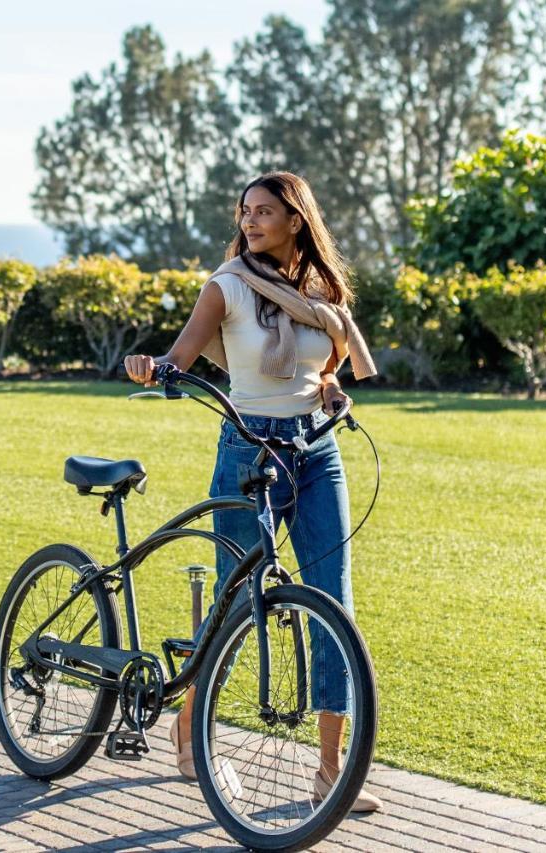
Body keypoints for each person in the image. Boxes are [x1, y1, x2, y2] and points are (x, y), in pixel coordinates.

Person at [124, 171, 381, 812]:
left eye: (263, 211)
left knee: (333, 599)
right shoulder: (228, 285)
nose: (249, 222)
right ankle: (191, 723)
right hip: (248, 447)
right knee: (235, 595)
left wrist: (327, 386)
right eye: (244, 212)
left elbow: (327, 362)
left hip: (316, 448)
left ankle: (332, 774)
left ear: (296, 219)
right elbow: (180, 356)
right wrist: (151, 368)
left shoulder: (323, 292)